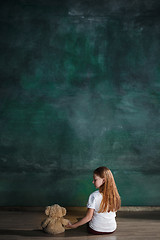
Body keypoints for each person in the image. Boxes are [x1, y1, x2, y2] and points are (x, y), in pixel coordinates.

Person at [66, 166, 121, 235]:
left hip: (96, 230)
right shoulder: (115, 195)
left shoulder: (94, 196)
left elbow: (88, 217)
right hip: (111, 229)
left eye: (95, 180)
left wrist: (73, 225)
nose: (93, 182)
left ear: (103, 180)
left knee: (86, 220)